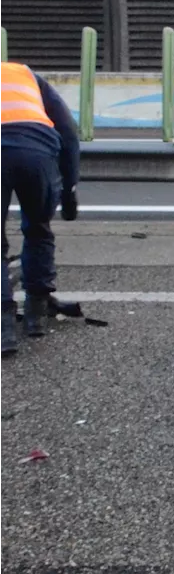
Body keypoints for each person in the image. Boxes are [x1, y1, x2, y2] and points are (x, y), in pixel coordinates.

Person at [0, 61, 79, 356]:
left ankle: (4, 328)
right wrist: (70, 189)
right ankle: (35, 313)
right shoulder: (26, 75)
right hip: (37, 150)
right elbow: (68, 132)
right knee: (38, 227)